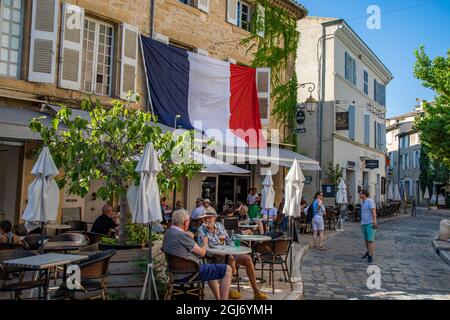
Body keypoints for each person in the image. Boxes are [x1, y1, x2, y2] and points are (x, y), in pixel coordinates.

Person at [162, 209, 232, 300]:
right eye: (189, 221)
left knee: (210, 267)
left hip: (176, 272)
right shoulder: (182, 236)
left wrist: (187, 234)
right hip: (190, 272)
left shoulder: (168, 233)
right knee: (227, 270)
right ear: (185, 222)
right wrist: (205, 242)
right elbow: (202, 253)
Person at [197, 212, 268, 300]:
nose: (207, 220)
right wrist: (223, 254)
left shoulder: (219, 226)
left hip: (227, 253)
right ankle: (228, 290)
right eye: (205, 218)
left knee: (247, 259)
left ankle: (256, 292)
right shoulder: (201, 230)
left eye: (209, 217)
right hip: (214, 257)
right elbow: (205, 251)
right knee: (230, 261)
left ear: (214, 218)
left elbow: (228, 240)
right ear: (202, 220)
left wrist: (231, 250)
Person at [359, 190, 378, 263]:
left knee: (370, 240)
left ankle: (370, 255)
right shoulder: (362, 202)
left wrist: (374, 222)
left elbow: (373, 211)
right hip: (364, 223)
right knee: (366, 240)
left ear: (364, 194)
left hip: (370, 223)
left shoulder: (370, 201)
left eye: (360, 194)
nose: (359, 195)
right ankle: (368, 251)